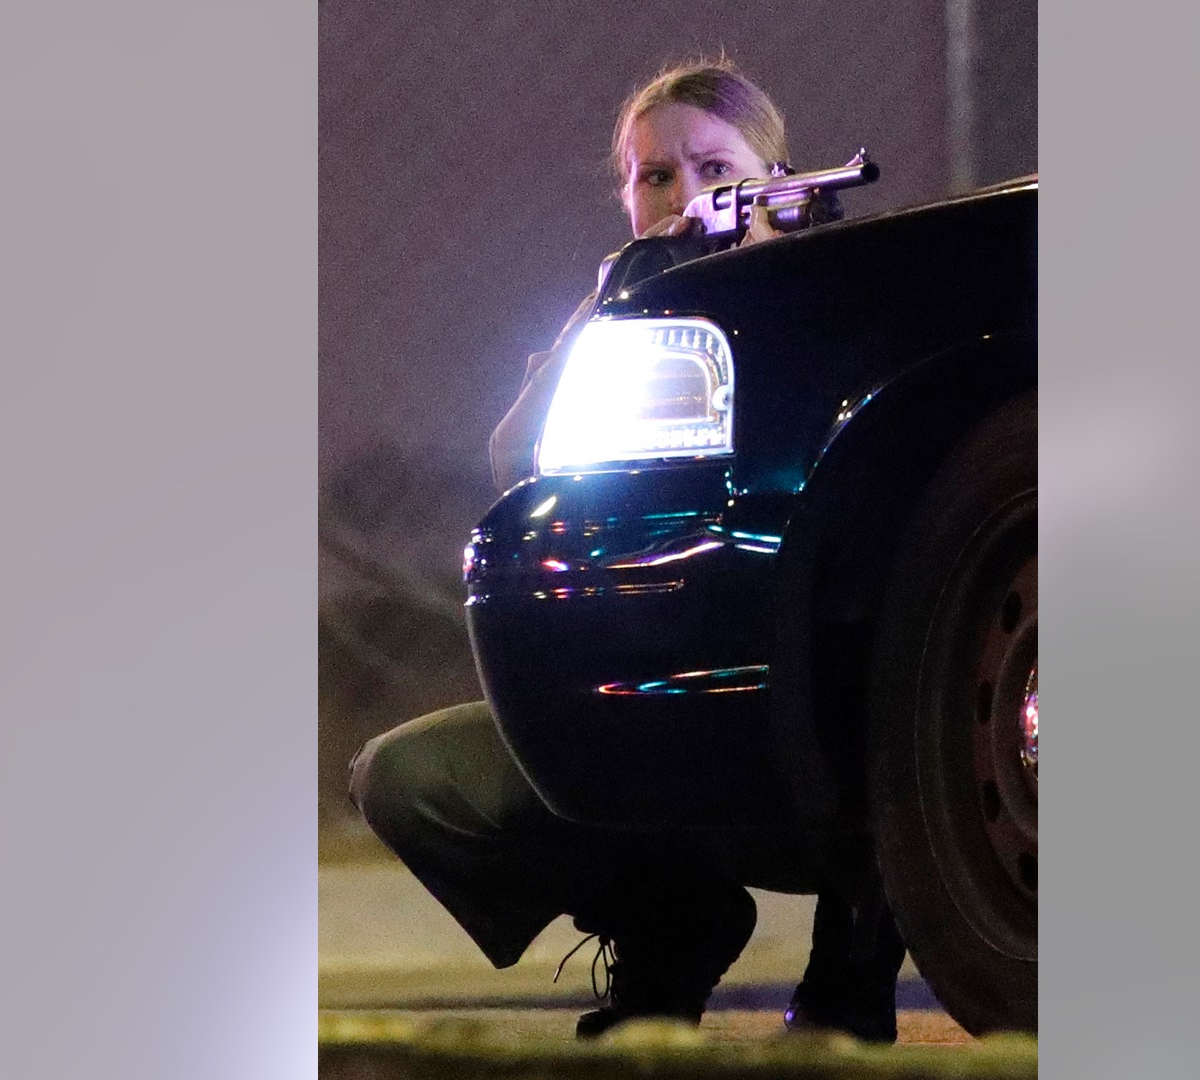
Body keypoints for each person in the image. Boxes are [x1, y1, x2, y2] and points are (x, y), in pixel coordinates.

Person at [350, 58, 906, 1042]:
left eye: (714, 169)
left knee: (906, 697)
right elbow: (512, 460)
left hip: (822, 757)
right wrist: (610, 303)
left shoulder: (847, 330)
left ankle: (847, 978)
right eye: (655, 177)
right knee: (411, 779)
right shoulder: (622, 341)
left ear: (777, 183)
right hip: (650, 738)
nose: (687, 198)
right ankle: (670, 934)